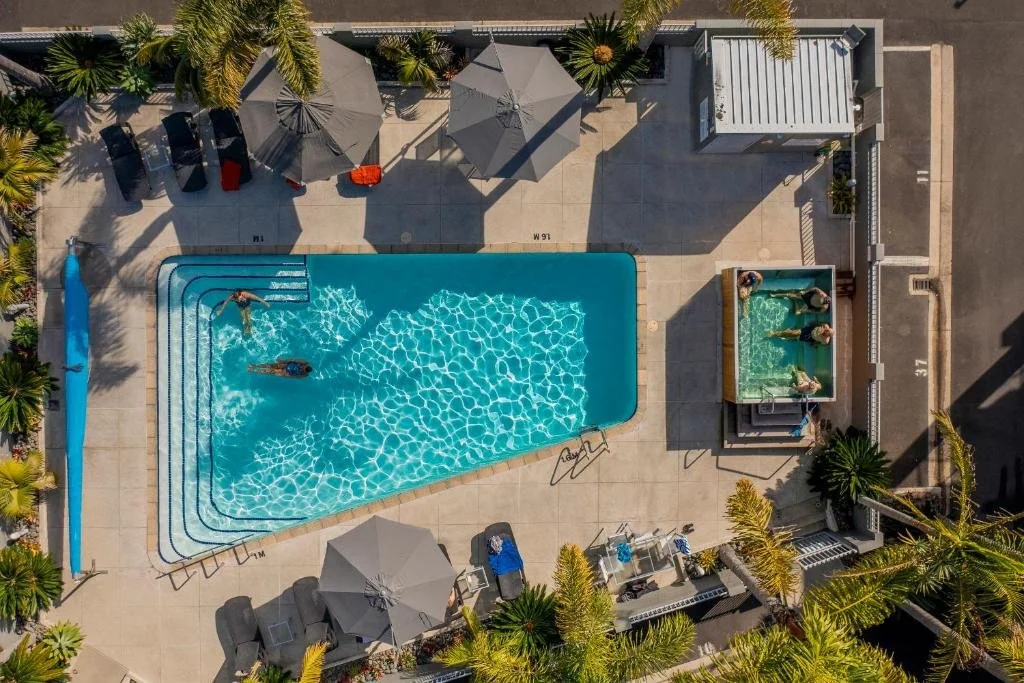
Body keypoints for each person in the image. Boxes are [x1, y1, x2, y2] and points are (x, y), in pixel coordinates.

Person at [768, 323, 833, 346]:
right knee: (793, 333)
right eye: (827, 330)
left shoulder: (825, 341)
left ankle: (782, 334)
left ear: (828, 335)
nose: (825, 331)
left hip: (810, 338)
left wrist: (814, 343)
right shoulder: (825, 326)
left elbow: (819, 342)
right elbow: (820, 324)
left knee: (793, 337)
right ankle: (775, 333)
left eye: (827, 332)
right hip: (810, 329)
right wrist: (820, 328)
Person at [247, 358, 313, 378]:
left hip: (286, 372)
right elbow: (293, 360)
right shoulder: (304, 362)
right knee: (269, 366)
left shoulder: (304, 374)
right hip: (285, 366)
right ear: (305, 366)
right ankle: (253, 366)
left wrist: (285, 375)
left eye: (303, 370)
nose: (302, 369)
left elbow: (294, 376)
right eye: (303, 368)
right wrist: (283, 361)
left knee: (270, 371)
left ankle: (252, 370)